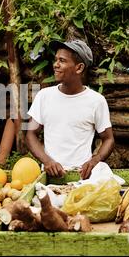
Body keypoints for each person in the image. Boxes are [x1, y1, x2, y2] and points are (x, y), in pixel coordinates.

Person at [26, 39, 115, 180]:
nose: (56, 65)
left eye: (62, 60)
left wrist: (95, 160)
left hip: (82, 178)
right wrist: (47, 161)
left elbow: (108, 139)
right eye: (55, 60)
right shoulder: (44, 96)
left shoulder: (96, 101)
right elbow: (31, 134)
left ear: (79, 68)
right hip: (49, 177)